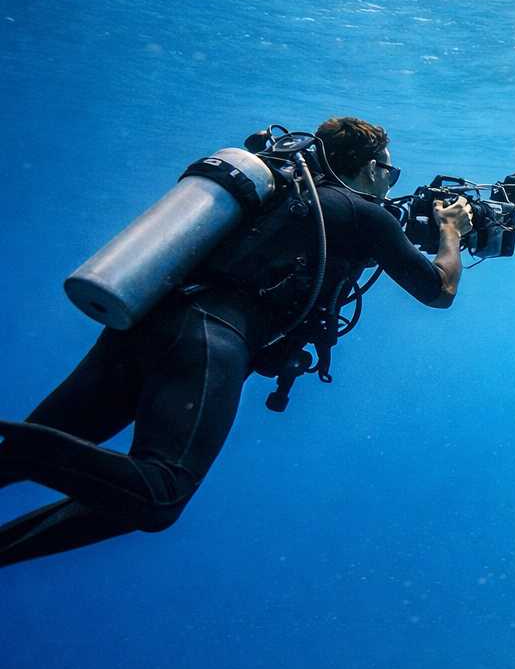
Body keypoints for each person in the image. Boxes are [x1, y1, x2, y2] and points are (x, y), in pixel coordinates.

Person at [0, 117, 472, 568]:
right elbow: (439, 290)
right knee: (157, 495)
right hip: (209, 340)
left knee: (14, 460)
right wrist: (450, 232)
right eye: (389, 171)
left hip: (143, 318)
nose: (390, 183)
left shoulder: (286, 197)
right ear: (370, 168)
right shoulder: (363, 215)